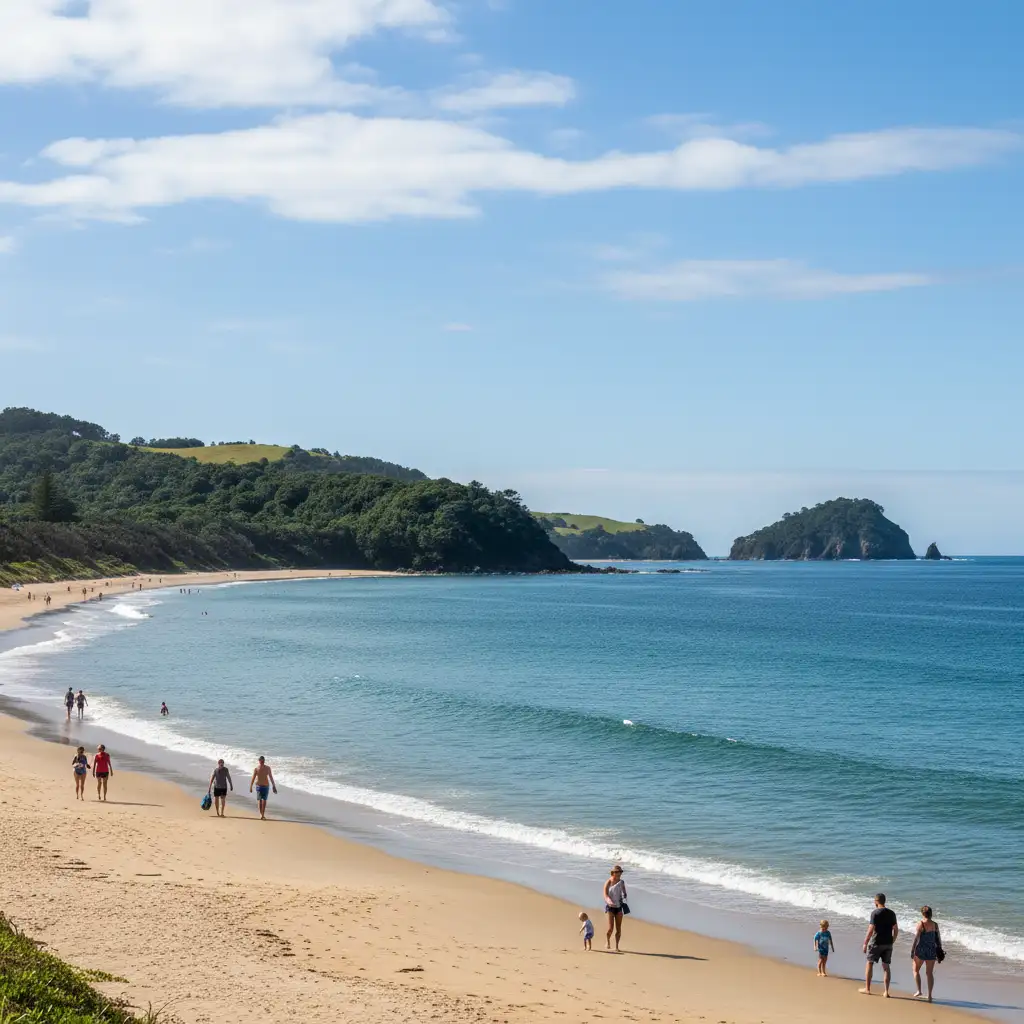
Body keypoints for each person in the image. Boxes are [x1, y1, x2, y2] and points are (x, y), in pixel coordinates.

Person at [861, 892, 899, 996]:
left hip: (876, 942)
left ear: (876, 901)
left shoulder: (875, 913)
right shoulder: (891, 913)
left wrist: (865, 943)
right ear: (884, 901)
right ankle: (886, 991)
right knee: (886, 967)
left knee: (870, 963)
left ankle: (867, 989)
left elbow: (871, 929)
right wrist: (893, 940)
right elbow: (896, 929)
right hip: (888, 943)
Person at [910, 906, 943, 1002]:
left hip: (921, 950)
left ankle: (919, 991)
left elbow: (916, 939)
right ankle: (929, 996)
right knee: (929, 973)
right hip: (932, 950)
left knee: (915, 970)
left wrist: (912, 950)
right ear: (931, 914)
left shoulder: (921, 924)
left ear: (922, 914)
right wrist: (940, 949)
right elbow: (938, 938)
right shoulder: (935, 925)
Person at [603, 865, 628, 951]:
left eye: (620, 872)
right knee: (610, 928)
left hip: (619, 907)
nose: (619, 873)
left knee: (618, 928)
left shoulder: (622, 882)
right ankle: (608, 941)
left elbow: (624, 892)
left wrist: (624, 895)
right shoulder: (608, 882)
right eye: (617, 872)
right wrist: (609, 901)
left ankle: (617, 946)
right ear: (613, 873)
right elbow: (605, 895)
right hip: (610, 907)